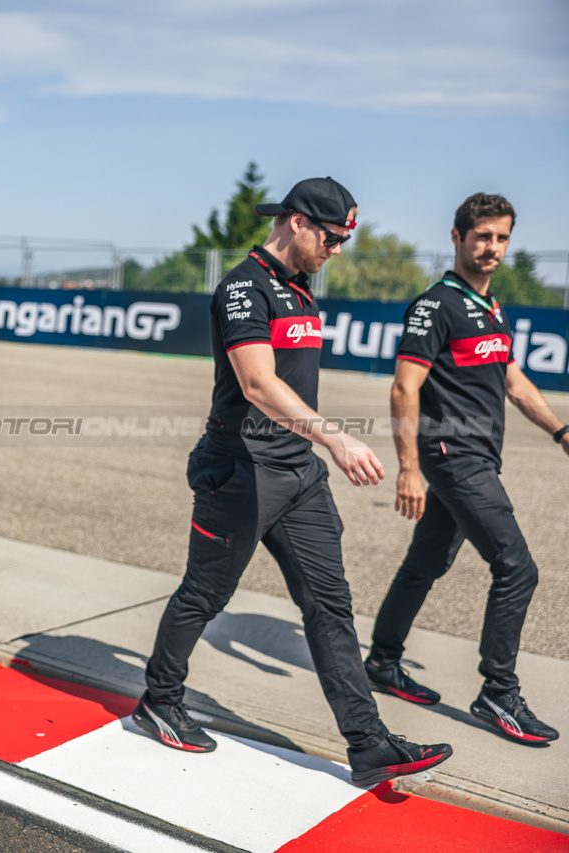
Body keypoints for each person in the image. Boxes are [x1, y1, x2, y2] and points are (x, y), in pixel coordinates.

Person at [131, 177, 453, 786]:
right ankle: (159, 700)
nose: (337, 250)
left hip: (298, 473)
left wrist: (314, 447)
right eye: (332, 237)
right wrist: (334, 437)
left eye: (344, 240)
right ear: (298, 222)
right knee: (205, 595)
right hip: (240, 468)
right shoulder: (242, 289)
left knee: (330, 606)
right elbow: (256, 384)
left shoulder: (301, 289)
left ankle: (369, 744)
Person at [366, 193, 564, 745]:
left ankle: (382, 660)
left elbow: (514, 381)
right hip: (454, 455)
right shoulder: (436, 305)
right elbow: (405, 386)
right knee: (517, 568)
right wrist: (408, 467)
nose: (492, 247)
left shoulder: (493, 309)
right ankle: (498, 692)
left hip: (476, 456)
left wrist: (560, 430)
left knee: (425, 563)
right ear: (457, 237)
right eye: (482, 236)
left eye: (501, 238)